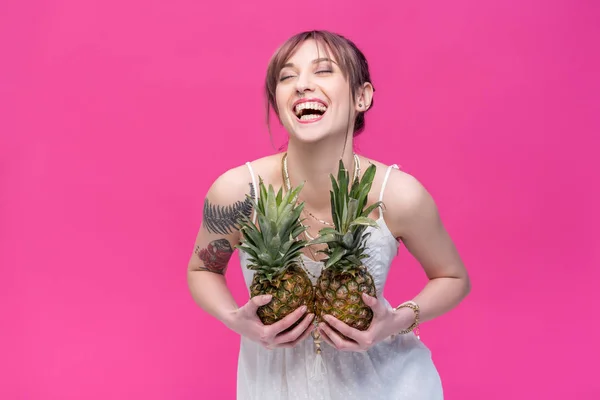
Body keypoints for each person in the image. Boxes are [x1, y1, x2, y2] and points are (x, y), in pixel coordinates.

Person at [187, 30, 471, 400]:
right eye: (287, 76)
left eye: (323, 71)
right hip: (274, 388)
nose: (302, 84)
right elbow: (202, 269)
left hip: (386, 387)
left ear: (361, 97)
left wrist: (396, 321)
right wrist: (233, 318)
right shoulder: (238, 191)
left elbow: (453, 277)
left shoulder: (398, 194)